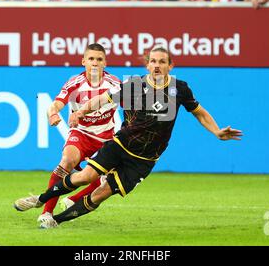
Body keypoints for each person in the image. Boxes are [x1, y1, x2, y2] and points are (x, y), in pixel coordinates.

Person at [14, 46, 242, 228]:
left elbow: (199, 112)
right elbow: (102, 99)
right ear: (147, 64)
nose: (157, 65)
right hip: (120, 144)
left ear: (170, 66)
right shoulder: (134, 86)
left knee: (99, 195)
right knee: (84, 176)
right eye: (153, 61)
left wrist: (216, 131)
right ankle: (42, 200)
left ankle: (56, 220)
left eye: (162, 61)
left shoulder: (180, 89)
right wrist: (82, 111)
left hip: (144, 159)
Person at [15, 43, 121, 228]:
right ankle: (47, 212)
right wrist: (53, 114)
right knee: (66, 162)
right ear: (83, 62)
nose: (95, 63)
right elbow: (55, 104)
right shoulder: (75, 83)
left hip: (105, 137)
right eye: (91, 59)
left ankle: (73, 199)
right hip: (81, 134)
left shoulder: (114, 84)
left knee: (105, 182)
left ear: (105, 63)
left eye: (99, 59)